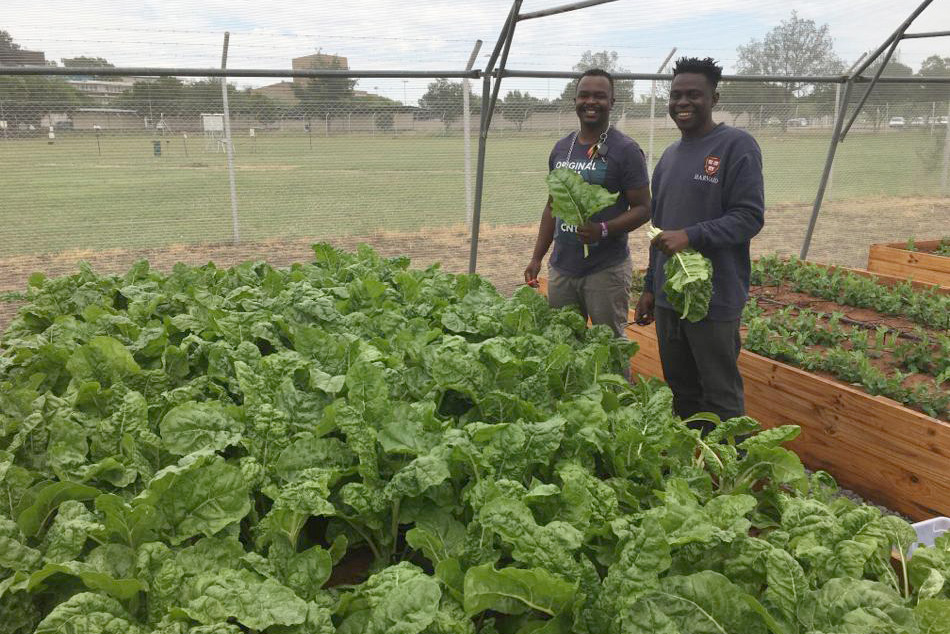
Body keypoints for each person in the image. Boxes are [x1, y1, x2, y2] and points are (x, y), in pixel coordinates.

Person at [634, 57, 764, 426]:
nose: (683, 103)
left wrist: (691, 235)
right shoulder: (670, 156)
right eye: (676, 95)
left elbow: (749, 217)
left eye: (694, 94)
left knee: (720, 394)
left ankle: (730, 474)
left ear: (714, 98)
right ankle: (694, 469)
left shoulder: (736, 146)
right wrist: (649, 287)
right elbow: (658, 228)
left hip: (714, 298)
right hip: (669, 299)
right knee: (682, 391)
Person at [523, 69, 651, 338]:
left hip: (605, 271)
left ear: (612, 102)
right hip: (562, 269)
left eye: (599, 96)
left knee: (610, 346)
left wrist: (602, 229)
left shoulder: (626, 150)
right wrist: (537, 257)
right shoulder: (561, 148)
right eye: (584, 95)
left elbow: (643, 209)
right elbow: (552, 207)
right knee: (564, 343)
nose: (590, 102)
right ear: (575, 101)